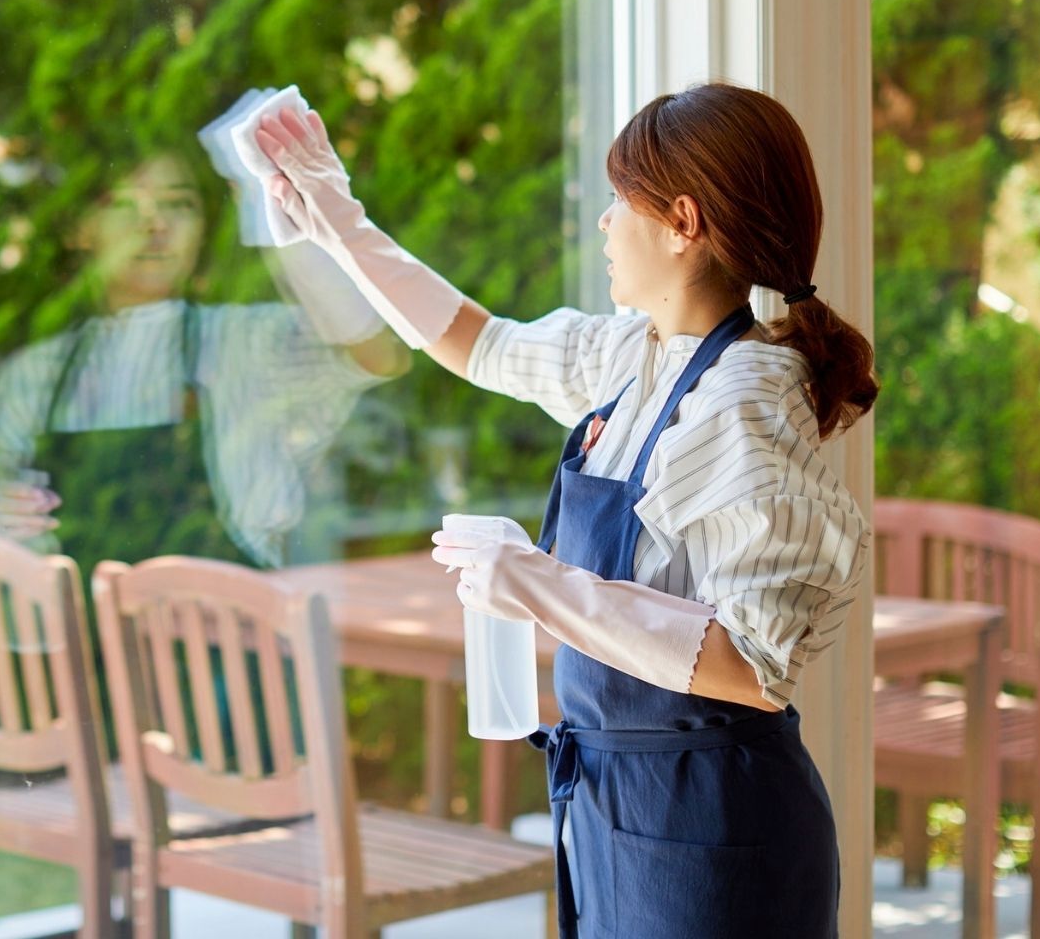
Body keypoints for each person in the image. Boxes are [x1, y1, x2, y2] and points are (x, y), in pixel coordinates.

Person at [256, 81, 876, 939]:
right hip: (617, 803)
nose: (604, 224)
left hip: (716, 828)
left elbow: (753, 665)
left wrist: (538, 585)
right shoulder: (637, 357)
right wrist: (338, 220)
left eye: (621, 201)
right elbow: (477, 342)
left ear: (682, 223)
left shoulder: (746, 403)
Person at [0, 147, 406, 575]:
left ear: (203, 229)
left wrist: (267, 207)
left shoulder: (248, 342)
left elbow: (380, 355)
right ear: (83, 228)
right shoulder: (36, 377)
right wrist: (4, 524)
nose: (154, 225)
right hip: (89, 642)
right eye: (123, 205)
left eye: (178, 204)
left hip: (233, 640)